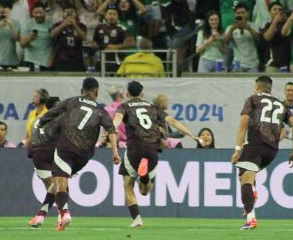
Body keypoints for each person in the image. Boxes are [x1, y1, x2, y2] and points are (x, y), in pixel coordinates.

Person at [37, 77, 121, 231]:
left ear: (82, 91)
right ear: (96, 93)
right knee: (60, 180)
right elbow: (111, 131)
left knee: (59, 181)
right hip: (84, 155)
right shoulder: (101, 111)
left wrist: (42, 123)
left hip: (66, 146)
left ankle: (64, 213)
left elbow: (51, 114)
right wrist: (115, 152)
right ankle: (41, 214)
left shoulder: (72, 101)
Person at [112, 81, 200, 227]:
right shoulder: (153, 108)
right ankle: (145, 178)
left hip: (134, 147)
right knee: (145, 191)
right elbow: (173, 121)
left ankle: (137, 218)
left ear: (127, 94)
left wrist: (111, 129)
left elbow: (117, 120)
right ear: (142, 94)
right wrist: (192, 135)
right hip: (151, 149)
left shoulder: (124, 106)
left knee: (128, 185)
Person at [231, 75, 293, 230]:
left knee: (245, 180)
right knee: (244, 176)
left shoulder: (253, 99)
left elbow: (243, 124)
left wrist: (237, 148)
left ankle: (250, 218)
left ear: (257, 87)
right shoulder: (281, 105)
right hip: (272, 150)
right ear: (270, 88)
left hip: (256, 144)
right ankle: (252, 193)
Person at [27, 98, 63, 228]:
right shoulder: (60, 120)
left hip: (38, 156)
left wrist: (32, 156)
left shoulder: (38, 120)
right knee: (60, 185)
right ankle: (62, 215)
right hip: (52, 153)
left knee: (53, 186)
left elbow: (32, 139)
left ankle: (41, 216)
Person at [20, 3, 53, 71]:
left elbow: (56, 45)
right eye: (36, 13)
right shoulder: (27, 24)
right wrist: (29, 39)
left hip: (46, 61)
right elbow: (22, 45)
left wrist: (52, 59)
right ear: (32, 13)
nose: (38, 15)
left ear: (45, 12)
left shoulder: (51, 25)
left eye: (40, 12)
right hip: (30, 60)